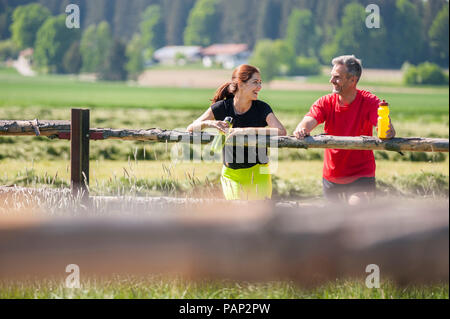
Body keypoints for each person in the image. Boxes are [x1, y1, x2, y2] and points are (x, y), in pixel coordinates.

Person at [293, 55, 395, 205]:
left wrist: (387, 130)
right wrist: (302, 129)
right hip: (331, 177)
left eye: (337, 77)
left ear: (352, 80)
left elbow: (384, 127)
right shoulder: (326, 101)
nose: (331, 81)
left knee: (356, 212)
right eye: (332, 76)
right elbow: (308, 120)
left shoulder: (370, 101)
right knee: (335, 221)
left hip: (361, 176)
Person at [187, 64, 286, 200]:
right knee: (237, 215)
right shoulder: (222, 107)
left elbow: (281, 131)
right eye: (255, 82)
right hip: (231, 175)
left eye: (260, 83)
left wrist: (245, 131)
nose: (259, 87)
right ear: (240, 83)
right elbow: (191, 128)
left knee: (260, 215)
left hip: (260, 172)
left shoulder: (262, 108)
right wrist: (210, 123)